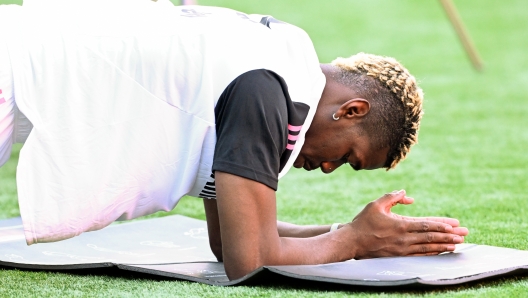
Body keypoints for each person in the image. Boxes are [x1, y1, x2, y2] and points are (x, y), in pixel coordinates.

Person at [0, 0, 468, 280]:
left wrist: (349, 233)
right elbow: (250, 259)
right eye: (348, 157)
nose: (328, 168)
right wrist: (355, 241)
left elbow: (231, 236)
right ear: (351, 111)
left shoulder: (282, 58)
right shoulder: (268, 89)